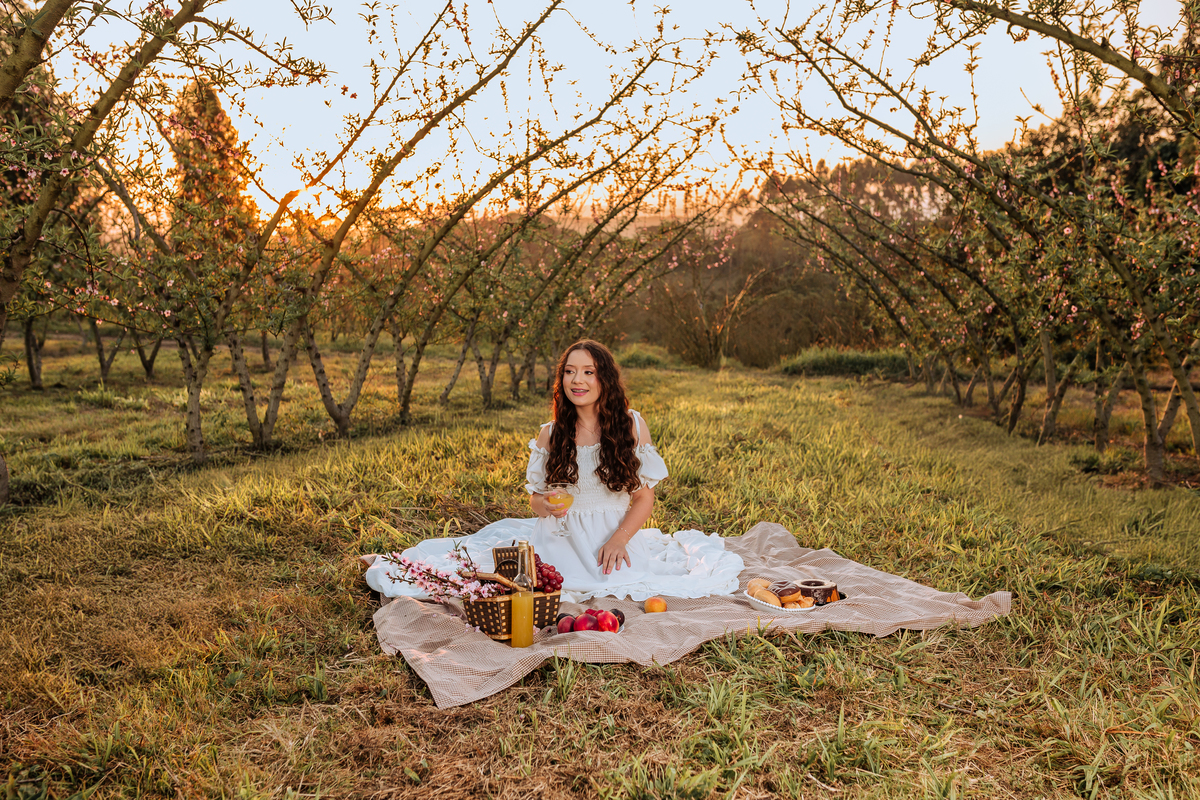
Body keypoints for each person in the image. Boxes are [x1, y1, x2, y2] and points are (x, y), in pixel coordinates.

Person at [363, 340, 744, 602]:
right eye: (569, 372)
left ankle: (613, 552)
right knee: (545, 585)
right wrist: (544, 505)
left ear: (604, 379)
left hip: (614, 536)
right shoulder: (550, 433)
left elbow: (644, 496)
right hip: (559, 537)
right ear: (561, 380)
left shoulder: (631, 424)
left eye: (588, 372)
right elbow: (535, 499)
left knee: (627, 582)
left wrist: (619, 540)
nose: (577, 381)